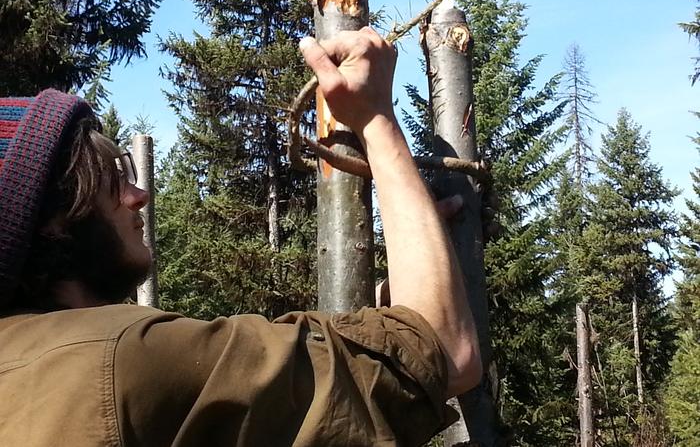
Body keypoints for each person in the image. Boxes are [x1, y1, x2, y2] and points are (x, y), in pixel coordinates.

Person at [0, 27, 481, 446]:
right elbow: (440, 353)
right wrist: (375, 118)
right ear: (52, 219)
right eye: (111, 176)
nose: (138, 195)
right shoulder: (124, 359)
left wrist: (390, 308)